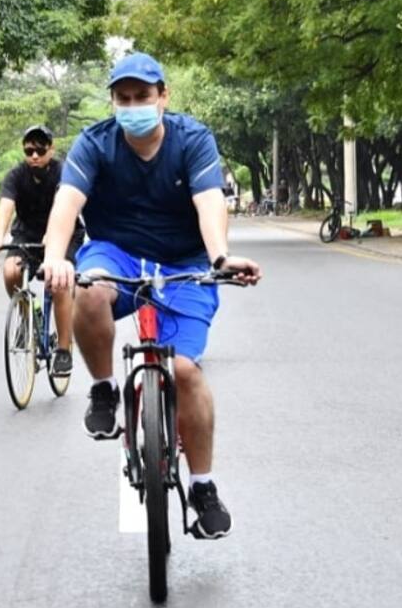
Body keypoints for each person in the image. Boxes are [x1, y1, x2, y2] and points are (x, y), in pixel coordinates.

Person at [42, 52, 261, 539]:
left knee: (184, 371)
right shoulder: (94, 143)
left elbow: (209, 204)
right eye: (124, 98)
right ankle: (103, 388)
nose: (133, 105)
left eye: (143, 96)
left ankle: (202, 487)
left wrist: (221, 257)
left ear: (163, 97)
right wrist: (56, 256)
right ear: (113, 102)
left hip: (185, 262)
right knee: (88, 291)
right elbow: (67, 203)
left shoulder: (193, 140)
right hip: (116, 253)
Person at [0, 125, 83, 376]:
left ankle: (64, 350)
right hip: (28, 234)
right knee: (11, 271)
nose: (34, 155)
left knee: (58, 281)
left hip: (64, 232)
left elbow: (63, 204)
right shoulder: (16, 175)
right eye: (29, 149)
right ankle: (26, 316)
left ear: (51, 149)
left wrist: (53, 234)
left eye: (40, 149)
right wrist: (0, 236)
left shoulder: (64, 172)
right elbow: (6, 204)